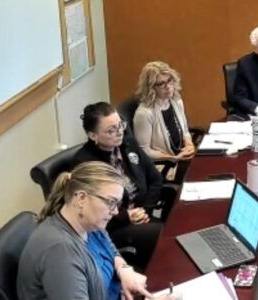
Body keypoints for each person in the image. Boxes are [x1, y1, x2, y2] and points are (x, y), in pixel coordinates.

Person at [17, 162, 176, 300]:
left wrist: (124, 270)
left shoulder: (86, 221)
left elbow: (110, 250)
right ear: (81, 199)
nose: (115, 212)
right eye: (111, 202)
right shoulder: (60, 251)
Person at [72, 102, 166, 271]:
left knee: (171, 228)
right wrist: (127, 217)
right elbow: (92, 213)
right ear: (93, 135)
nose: (119, 132)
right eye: (111, 130)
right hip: (113, 227)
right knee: (163, 236)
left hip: (141, 213)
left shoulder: (127, 144)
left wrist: (145, 209)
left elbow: (155, 178)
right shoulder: (87, 163)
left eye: (120, 125)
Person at [133, 61, 195, 162]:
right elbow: (144, 150)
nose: (168, 86)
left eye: (169, 80)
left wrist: (189, 145)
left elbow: (185, 131)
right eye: (161, 84)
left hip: (183, 158)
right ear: (151, 88)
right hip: (165, 166)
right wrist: (172, 158)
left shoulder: (176, 101)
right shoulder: (144, 114)